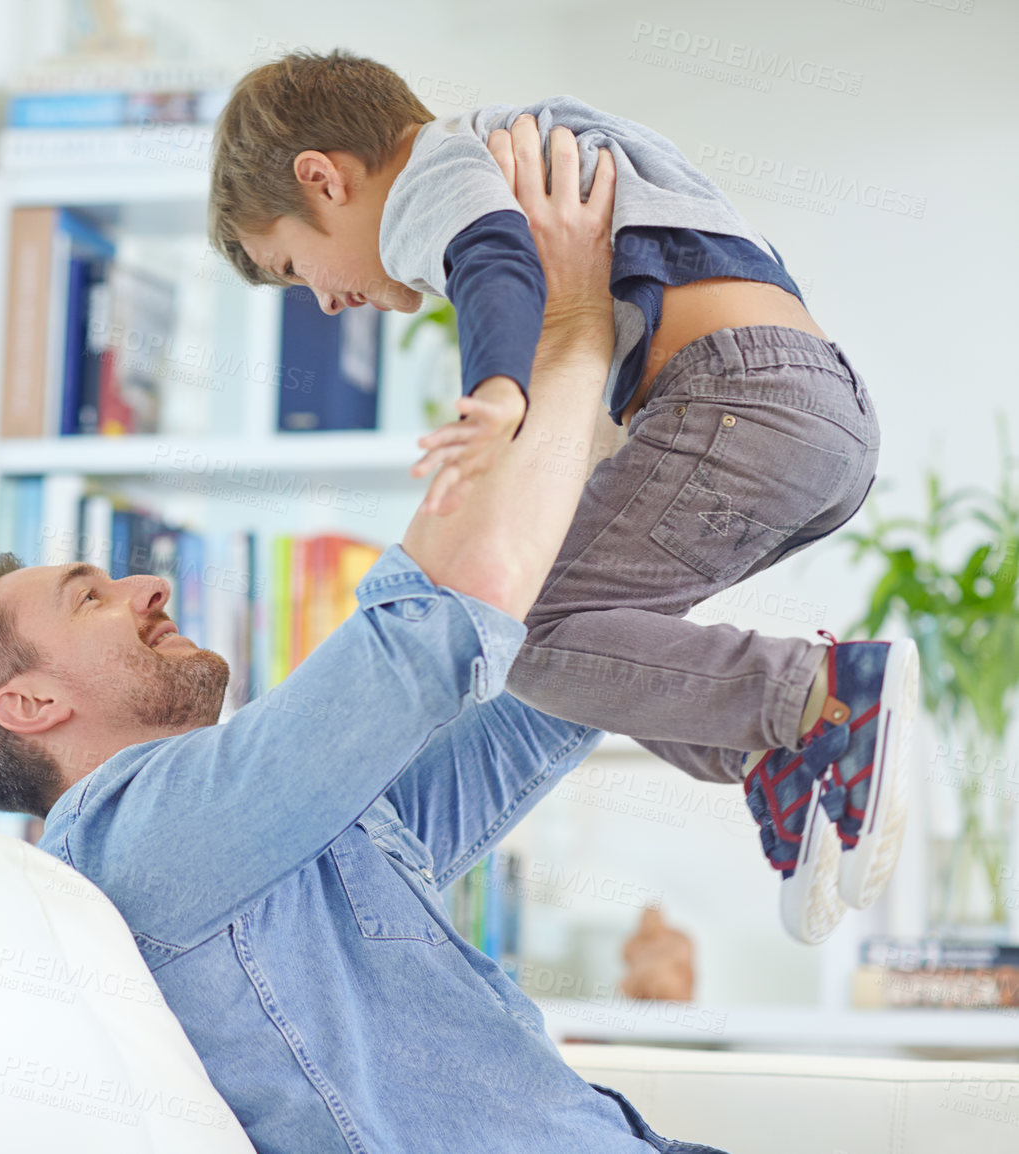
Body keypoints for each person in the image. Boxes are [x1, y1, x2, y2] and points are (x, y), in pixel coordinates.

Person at [0, 123, 724, 1153]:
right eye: (89, 596)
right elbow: (426, 631)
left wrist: (669, 428)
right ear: (31, 705)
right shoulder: (129, 836)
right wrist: (564, 324)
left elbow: (544, 689)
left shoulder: (280, 828)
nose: (149, 582)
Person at [205, 49, 916, 943]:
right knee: (607, 632)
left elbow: (494, 258)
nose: (324, 301)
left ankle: (820, 696)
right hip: (811, 414)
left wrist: (500, 389)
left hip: (737, 401)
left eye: (292, 267)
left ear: (324, 179)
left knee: (525, 634)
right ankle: (784, 751)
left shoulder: (436, 174)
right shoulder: (532, 142)